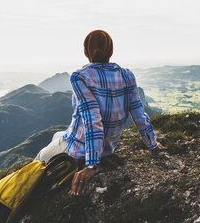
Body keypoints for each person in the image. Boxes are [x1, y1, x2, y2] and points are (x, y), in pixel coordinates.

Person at [34, 29, 164, 196]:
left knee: (40, 157)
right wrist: (152, 143)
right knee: (57, 135)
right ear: (110, 50)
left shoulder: (80, 77)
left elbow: (92, 120)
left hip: (80, 150)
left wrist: (90, 166)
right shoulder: (127, 75)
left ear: (86, 51)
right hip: (108, 148)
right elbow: (139, 114)